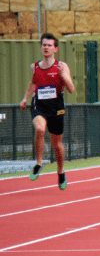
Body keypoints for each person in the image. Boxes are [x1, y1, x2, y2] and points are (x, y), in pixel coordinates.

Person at [19, 33, 75, 190]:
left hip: (56, 107)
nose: (46, 47)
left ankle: (61, 171)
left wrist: (63, 76)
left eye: (49, 45)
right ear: (41, 47)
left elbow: (71, 89)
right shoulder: (34, 67)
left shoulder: (61, 66)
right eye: (44, 45)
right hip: (39, 105)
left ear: (55, 49)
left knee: (57, 144)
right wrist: (25, 99)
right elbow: (33, 83)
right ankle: (39, 162)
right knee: (40, 128)